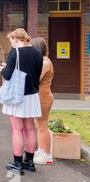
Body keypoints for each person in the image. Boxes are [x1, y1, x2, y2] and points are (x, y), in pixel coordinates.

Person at [0, 28, 43, 175]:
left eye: (11, 40)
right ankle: (29, 162)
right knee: (30, 128)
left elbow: (8, 75)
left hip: (16, 96)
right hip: (32, 95)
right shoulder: (37, 53)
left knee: (17, 129)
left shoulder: (15, 53)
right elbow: (37, 73)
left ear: (17, 38)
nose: (11, 44)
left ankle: (17, 164)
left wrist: (2, 69)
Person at [31, 37, 55, 165]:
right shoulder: (42, 61)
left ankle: (47, 155)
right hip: (39, 97)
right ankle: (41, 150)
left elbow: (36, 78)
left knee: (42, 126)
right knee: (38, 125)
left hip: (43, 97)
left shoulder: (45, 62)